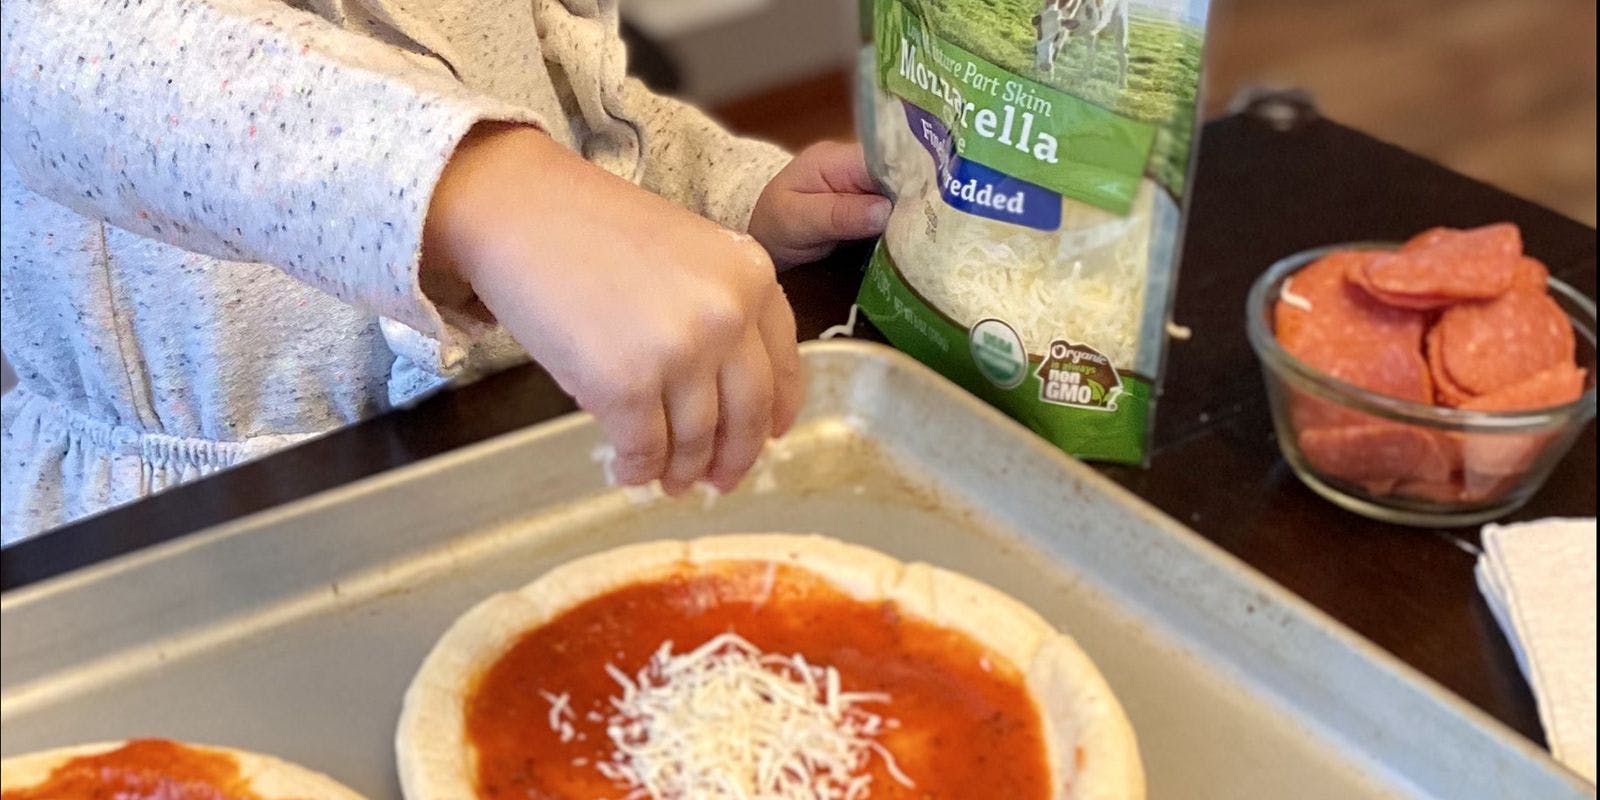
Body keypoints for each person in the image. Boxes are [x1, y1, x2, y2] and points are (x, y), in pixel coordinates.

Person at [0, 0, 891, 545]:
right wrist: (479, 182)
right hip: (193, 525)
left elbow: (569, 111)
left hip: (513, 444)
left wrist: (730, 202)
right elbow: (63, 50)